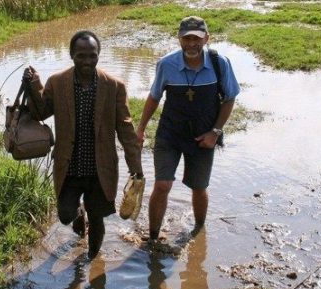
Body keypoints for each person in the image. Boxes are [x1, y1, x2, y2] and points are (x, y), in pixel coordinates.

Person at [23, 30, 143, 259]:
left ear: (98, 55)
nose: (87, 61)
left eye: (92, 56)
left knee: (97, 217)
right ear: (71, 55)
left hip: (100, 167)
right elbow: (41, 112)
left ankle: (92, 260)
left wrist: (135, 166)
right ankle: (79, 214)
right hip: (69, 165)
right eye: (81, 56)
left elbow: (126, 129)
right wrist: (33, 85)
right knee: (66, 215)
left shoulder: (114, 86)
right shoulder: (58, 83)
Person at [136, 16, 240, 241]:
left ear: (206, 39)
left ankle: (198, 232)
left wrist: (215, 132)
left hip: (203, 136)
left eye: (197, 39)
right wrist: (141, 128)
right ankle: (152, 239)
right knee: (162, 185)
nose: (191, 44)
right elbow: (154, 97)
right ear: (179, 39)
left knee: (199, 187)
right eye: (187, 39)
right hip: (170, 134)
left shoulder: (219, 63)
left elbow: (230, 98)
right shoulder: (166, 64)